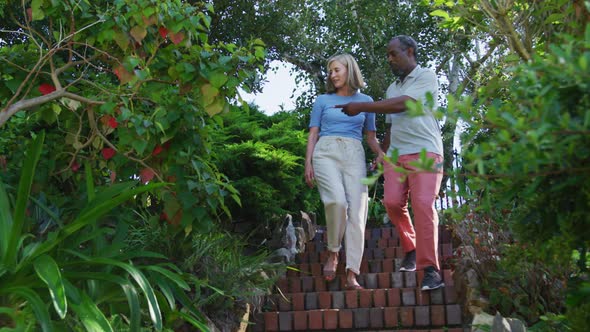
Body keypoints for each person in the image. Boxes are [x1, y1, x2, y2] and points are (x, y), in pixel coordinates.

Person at [337, 35, 445, 291]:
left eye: (393, 54)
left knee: (422, 205)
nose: (390, 59)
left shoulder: (426, 76)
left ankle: (430, 270)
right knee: (392, 203)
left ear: (409, 51)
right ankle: (411, 247)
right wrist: (381, 153)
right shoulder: (391, 89)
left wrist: (363, 106)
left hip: (426, 152)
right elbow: (390, 128)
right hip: (397, 155)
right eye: (388, 54)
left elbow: (406, 104)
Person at [305, 53, 383, 290]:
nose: (332, 75)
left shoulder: (367, 101)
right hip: (326, 150)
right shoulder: (322, 100)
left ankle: (352, 273)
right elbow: (313, 133)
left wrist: (381, 154)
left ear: (350, 70)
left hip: (354, 154)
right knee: (337, 202)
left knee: (358, 213)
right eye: (330, 71)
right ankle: (333, 251)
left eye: (336, 70)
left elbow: (370, 137)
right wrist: (308, 162)